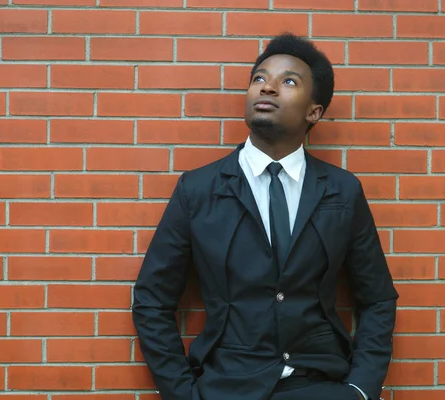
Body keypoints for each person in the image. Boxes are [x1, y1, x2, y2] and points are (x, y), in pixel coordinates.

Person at [132, 32, 398, 400]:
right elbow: (152, 300)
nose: (267, 88)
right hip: (227, 386)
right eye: (259, 78)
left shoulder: (342, 191)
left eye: (288, 81)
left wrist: (360, 389)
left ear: (314, 111)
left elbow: (378, 298)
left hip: (320, 383)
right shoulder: (199, 189)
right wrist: (183, 394)